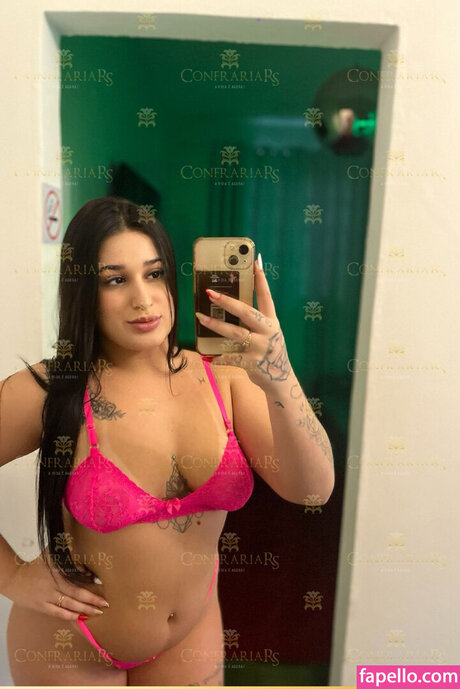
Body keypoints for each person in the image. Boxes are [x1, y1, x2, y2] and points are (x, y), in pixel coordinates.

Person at [0, 196, 334, 686]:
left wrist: (279, 377)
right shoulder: (52, 389)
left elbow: (313, 489)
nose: (143, 299)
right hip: (72, 646)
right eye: (115, 280)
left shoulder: (225, 377)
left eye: (154, 274)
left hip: (191, 635)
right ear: (82, 290)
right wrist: (11, 576)